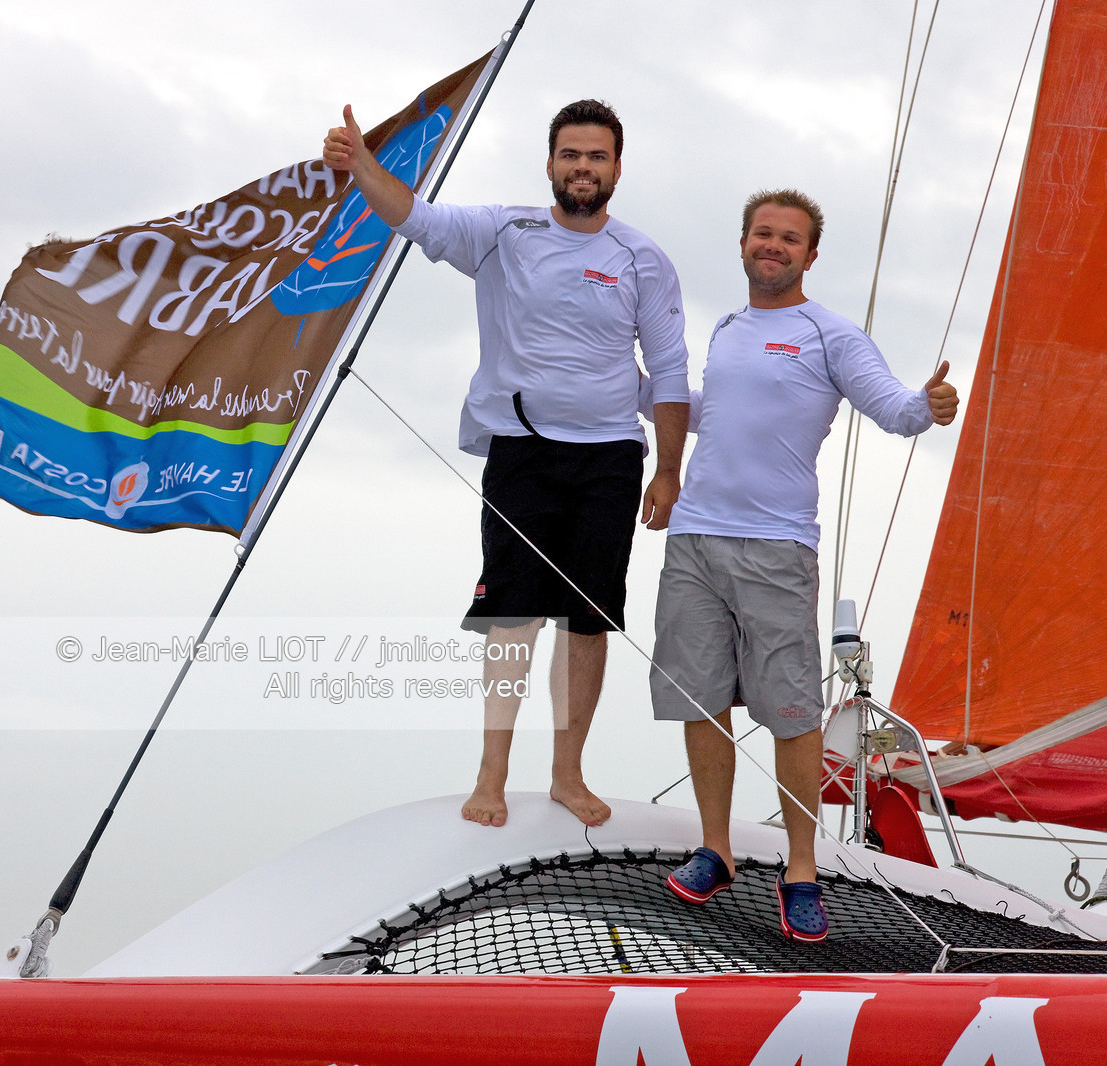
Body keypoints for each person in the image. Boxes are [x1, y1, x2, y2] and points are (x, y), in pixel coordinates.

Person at [323, 100, 691, 829]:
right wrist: (364, 166)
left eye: (596, 157)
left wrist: (670, 472)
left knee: (589, 622)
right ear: (550, 162)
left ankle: (567, 773)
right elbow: (417, 220)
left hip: (612, 457)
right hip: (522, 451)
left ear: (617, 168)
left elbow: (672, 372)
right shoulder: (504, 232)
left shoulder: (644, 259)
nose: (582, 168)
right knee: (512, 615)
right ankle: (491, 776)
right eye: (570, 155)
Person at [648, 189, 958, 941]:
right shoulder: (725, 329)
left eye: (790, 238)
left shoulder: (832, 335)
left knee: (790, 713)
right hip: (694, 538)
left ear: (810, 255)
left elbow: (892, 409)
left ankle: (802, 869)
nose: (774, 246)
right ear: (744, 242)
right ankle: (714, 849)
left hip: (780, 548)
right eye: (763, 233)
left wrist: (930, 402)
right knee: (700, 699)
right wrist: (627, 391)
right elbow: (704, 407)